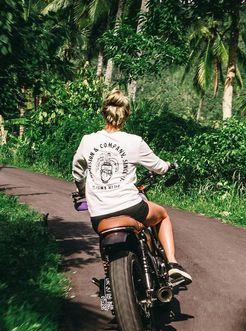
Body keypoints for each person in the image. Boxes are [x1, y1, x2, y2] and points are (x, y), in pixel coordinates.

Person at [72, 89, 192, 283]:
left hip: (99, 214)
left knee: (103, 241)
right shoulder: (134, 142)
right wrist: (168, 166)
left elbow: (77, 171)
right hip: (131, 207)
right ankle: (172, 265)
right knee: (162, 215)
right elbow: (159, 167)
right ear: (126, 115)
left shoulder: (88, 141)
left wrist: (81, 190)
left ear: (104, 112)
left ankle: (109, 282)